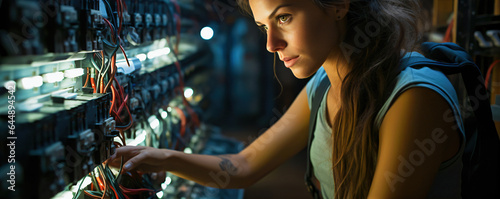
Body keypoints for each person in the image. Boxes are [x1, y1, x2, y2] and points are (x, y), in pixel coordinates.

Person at [109, 0, 465, 198]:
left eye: (285, 17)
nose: (271, 44)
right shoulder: (326, 82)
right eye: (265, 26)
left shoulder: (413, 97)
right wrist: (162, 157)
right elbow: (244, 167)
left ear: (339, 4)